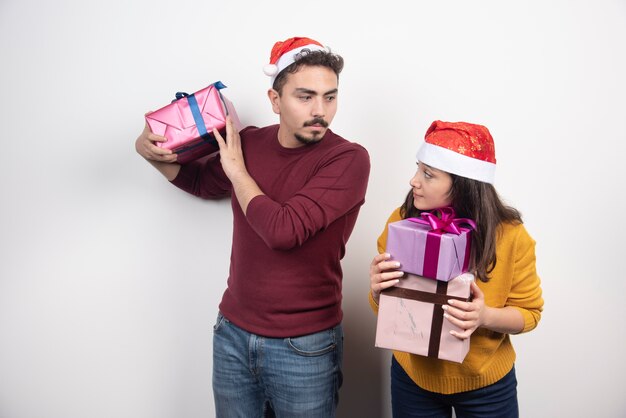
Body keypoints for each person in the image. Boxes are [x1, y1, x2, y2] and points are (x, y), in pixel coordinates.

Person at [135, 36, 370, 417]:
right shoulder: (249, 143)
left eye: (330, 97)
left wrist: (237, 170)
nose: (320, 110)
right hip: (232, 334)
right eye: (305, 96)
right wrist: (149, 153)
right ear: (275, 100)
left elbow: (283, 231)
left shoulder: (348, 159)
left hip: (305, 345)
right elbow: (198, 181)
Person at [369, 121, 543, 417]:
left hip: (485, 386)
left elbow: (530, 313)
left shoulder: (511, 236)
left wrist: (484, 316)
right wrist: (377, 291)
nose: (414, 181)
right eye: (417, 168)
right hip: (413, 379)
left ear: (463, 184)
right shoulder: (400, 221)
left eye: (428, 174)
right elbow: (386, 310)